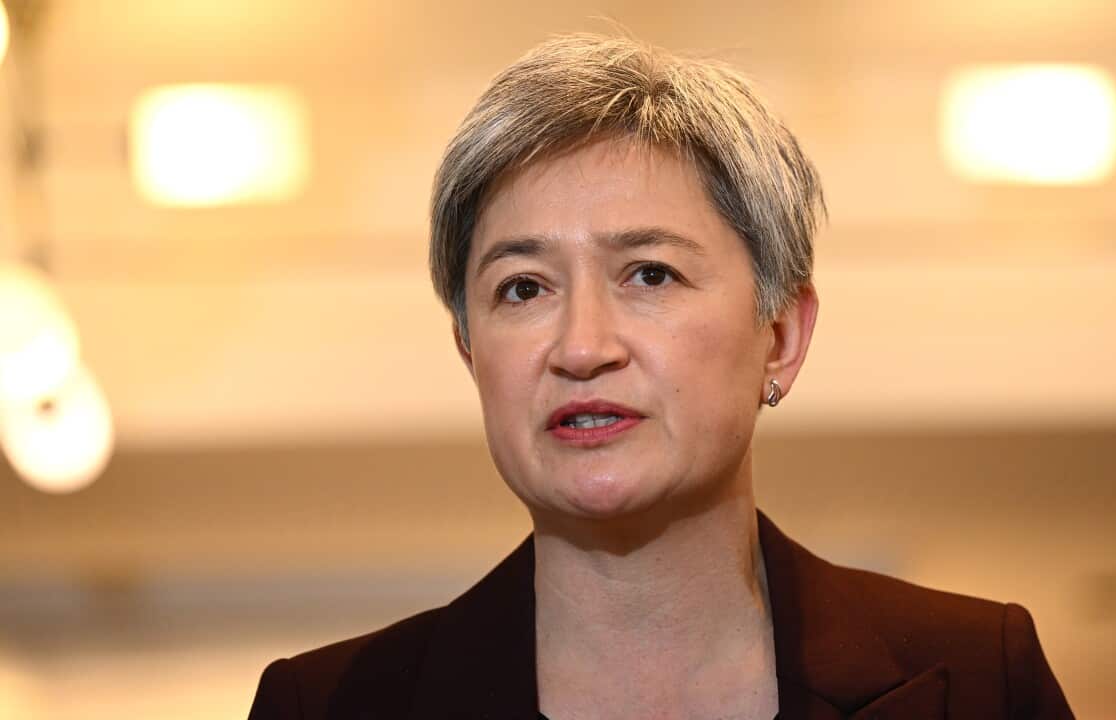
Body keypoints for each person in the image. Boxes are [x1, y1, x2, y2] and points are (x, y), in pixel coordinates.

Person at [248, 34, 1073, 720]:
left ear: (780, 337)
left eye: (648, 274)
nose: (581, 347)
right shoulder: (328, 707)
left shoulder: (977, 681)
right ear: (472, 354)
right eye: (524, 289)